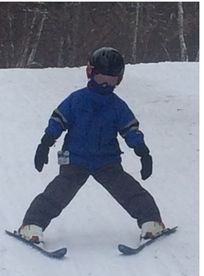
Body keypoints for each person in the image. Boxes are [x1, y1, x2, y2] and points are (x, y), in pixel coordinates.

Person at [18, 47, 165, 244]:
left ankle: (151, 222)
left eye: (112, 80)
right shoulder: (77, 100)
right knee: (58, 193)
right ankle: (32, 225)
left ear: (119, 80)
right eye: (101, 78)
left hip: (107, 160)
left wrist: (142, 151)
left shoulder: (117, 106)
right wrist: (45, 143)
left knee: (129, 191)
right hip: (74, 159)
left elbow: (130, 129)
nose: (106, 85)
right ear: (90, 73)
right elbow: (58, 121)